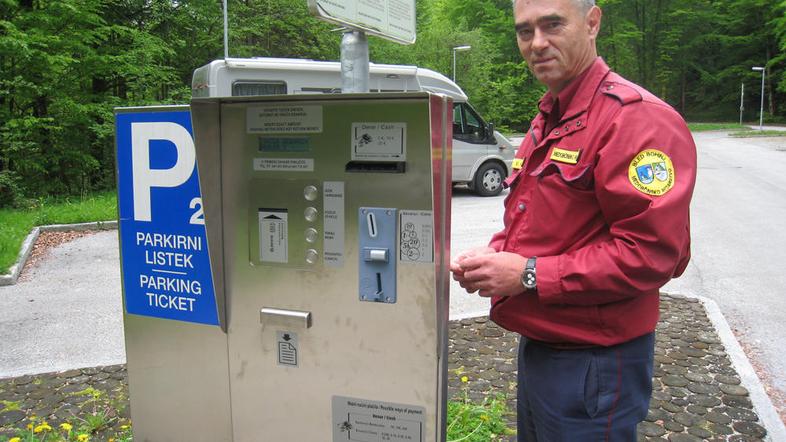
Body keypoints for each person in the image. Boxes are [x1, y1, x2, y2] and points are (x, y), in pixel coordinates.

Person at [449, 0, 697, 440]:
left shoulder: (636, 120)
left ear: (593, 23)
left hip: (596, 361)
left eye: (552, 25)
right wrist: (496, 253)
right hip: (544, 345)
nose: (537, 43)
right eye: (525, 31)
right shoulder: (550, 117)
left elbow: (653, 254)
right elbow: (538, 221)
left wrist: (526, 274)